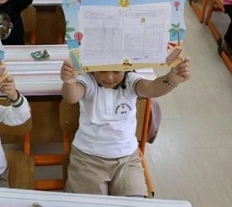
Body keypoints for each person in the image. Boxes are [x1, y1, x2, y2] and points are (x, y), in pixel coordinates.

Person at [60, 56, 191, 196]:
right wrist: (70, 83)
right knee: (88, 203)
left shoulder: (130, 80)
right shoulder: (88, 80)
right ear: (92, 67)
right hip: (87, 158)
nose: (109, 77)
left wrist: (170, 80)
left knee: (134, 201)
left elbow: (151, 88)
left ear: (126, 68)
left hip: (127, 159)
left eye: (117, 71)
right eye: (102, 71)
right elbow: (71, 97)